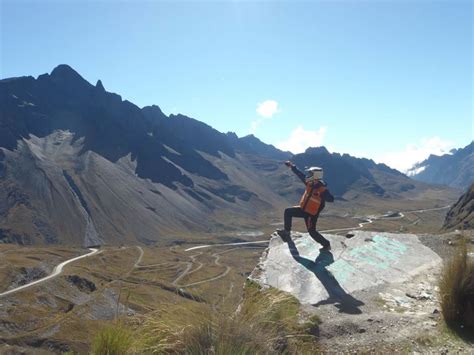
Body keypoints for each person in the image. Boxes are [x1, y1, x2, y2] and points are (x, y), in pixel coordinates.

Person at [277, 161, 334, 251]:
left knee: (312, 232)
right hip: (303, 209)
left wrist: (323, 194)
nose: (308, 175)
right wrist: (292, 166)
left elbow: (331, 199)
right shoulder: (309, 183)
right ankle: (287, 233)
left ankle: (326, 245)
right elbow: (300, 174)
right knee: (288, 211)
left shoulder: (322, 189)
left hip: (311, 214)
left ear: (315, 175)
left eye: (310, 173)